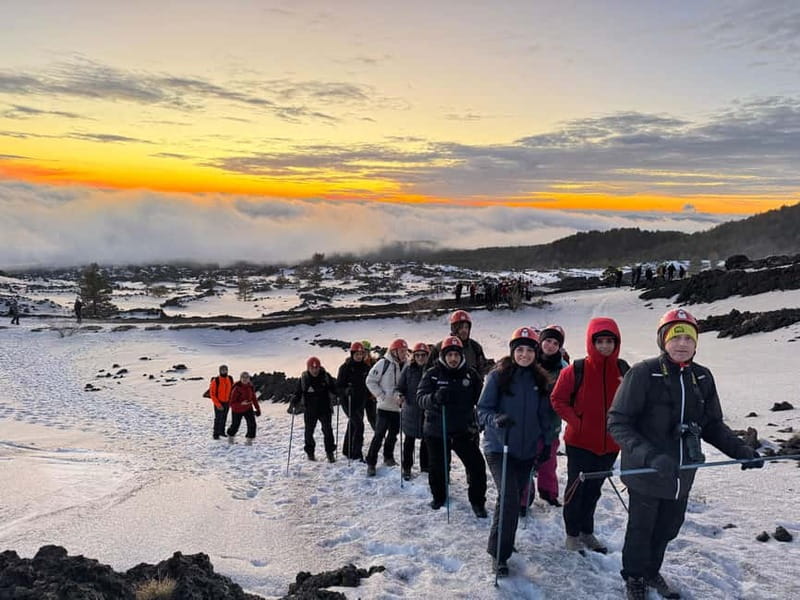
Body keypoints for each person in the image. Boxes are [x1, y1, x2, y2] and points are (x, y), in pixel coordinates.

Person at [608, 309, 764, 600]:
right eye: (675, 336)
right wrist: (650, 456)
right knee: (641, 530)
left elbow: (712, 424)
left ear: (696, 343)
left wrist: (742, 451)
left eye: (688, 338)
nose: (682, 343)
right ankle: (635, 577)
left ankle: (652, 571)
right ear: (663, 340)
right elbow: (618, 422)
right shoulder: (643, 373)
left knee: (668, 528)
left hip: (682, 474)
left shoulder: (702, 377)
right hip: (645, 472)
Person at [477, 327, 553, 577]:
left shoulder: (539, 380)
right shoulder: (498, 376)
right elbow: (482, 409)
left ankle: (503, 541)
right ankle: (499, 555)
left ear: (535, 352)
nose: (524, 354)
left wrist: (546, 445)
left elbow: (544, 417)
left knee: (509, 499)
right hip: (500, 447)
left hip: (527, 450)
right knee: (509, 497)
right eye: (519, 349)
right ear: (512, 351)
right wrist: (495, 419)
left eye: (529, 350)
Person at [550, 317, 627, 554]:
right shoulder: (576, 369)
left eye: (609, 341)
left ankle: (586, 531)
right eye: (600, 341)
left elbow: (634, 402)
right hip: (580, 444)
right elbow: (558, 399)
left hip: (610, 446)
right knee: (576, 490)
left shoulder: (624, 369)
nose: (604, 346)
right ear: (591, 342)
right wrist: (578, 422)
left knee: (594, 491)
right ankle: (572, 534)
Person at [418, 336, 487, 517]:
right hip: (436, 430)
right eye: (450, 355)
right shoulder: (432, 374)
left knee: (477, 466)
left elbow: (482, 400)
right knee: (438, 468)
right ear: (443, 356)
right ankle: (439, 497)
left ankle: (478, 502)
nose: (453, 359)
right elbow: (420, 398)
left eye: (457, 354)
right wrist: (434, 398)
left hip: (462, 430)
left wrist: (478, 421)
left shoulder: (470, 375)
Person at [520, 324, 567, 511]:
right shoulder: (529, 359)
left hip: (551, 422)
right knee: (525, 461)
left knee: (548, 461)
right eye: (547, 340)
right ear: (541, 341)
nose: (550, 345)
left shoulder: (563, 368)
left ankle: (549, 492)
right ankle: (523, 498)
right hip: (529, 420)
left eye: (555, 343)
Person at [364, 339, 408, 476]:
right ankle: (371, 462)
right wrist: (380, 396)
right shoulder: (383, 363)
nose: (404, 354)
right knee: (379, 435)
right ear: (394, 351)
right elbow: (370, 380)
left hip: (397, 407)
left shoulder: (407, 365)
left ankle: (388, 457)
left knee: (393, 435)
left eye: (405, 351)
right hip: (383, 407)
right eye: (401, 351)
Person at [293, 356, 338, 462]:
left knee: (328, 431)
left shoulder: (325, 376)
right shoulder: (304, 379)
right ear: (308, 368)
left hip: (325, 408)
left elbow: (334, 388)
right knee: (308, 432)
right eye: (312, 368)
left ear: (319, 367)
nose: (315, 370)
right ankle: (310, 452)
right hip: (309, 410)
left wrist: (341, 392)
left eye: (316, 367)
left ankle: (330, 453)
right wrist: (295, 400)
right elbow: (298, 392)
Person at [397, 342, 430, 480]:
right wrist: (400, 395)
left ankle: (425, 467)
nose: (421, 358)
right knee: (409, 441)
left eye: (423, 355)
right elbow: (400, 386)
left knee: (426, 441)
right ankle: (407, 468)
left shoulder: (432, 370)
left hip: (426, 410)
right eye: (418, 355)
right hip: (410, 410)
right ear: (414, 357)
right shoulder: (408, 369)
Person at [336, 341, 372, 461]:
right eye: (357, 354)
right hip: (348, 402)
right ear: (352, 354)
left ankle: (346, 449)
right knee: (359, 425)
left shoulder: (366, 368)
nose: (359, 356)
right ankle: (356, 453)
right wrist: (346, 390)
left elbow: (369, 383)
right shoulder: (345, 368)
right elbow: (339, 386)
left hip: (360, 401)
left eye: (361, 354)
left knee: (352, 424)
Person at [226, 371, 260, 444]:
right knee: (235, 425)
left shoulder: (250, 386)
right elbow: (231, 403)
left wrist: (257, 408)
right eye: (243, 377)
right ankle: (230, 437)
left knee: (252, 424)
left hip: (248, 408)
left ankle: (249, 440)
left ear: (249, 379)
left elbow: (254, 398)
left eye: (247, 377)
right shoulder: (236, 388)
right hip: (237, 410)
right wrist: (241, 403)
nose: (245, 379)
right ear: (240, 378)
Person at [209, 364, 234, 439]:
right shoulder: (216, 380)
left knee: (224, 417)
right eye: (222, 370)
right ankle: (215, 434)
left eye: (225, 370)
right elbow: (212, 394)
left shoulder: (230, 378)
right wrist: (218, 404)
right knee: (218, 418)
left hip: (227, 402)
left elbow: (232, 390)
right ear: (220, 371)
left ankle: (222, 432)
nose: (224, 371)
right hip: (219, 402)